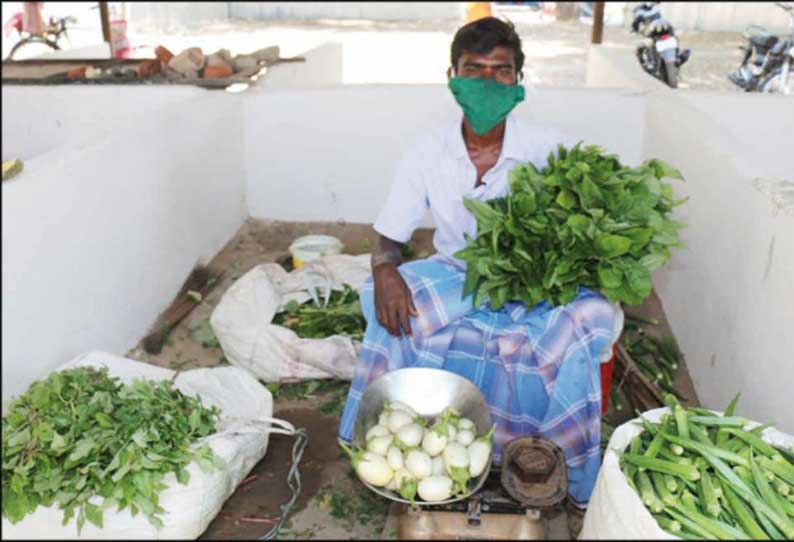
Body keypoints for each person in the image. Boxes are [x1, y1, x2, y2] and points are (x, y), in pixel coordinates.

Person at [337, 17, 620, 533]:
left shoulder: (550, 148)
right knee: (385, 302)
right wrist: (384, 270)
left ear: (519, 81)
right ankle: (402, 435)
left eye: (502, 72)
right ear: (452, 75)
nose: (488, 83)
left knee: (592, 315)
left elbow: (582, 225)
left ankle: (561, 467)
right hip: (458, 272)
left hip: (532, 279)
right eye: (474, 70)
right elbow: (390, 235)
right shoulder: (427, 149)